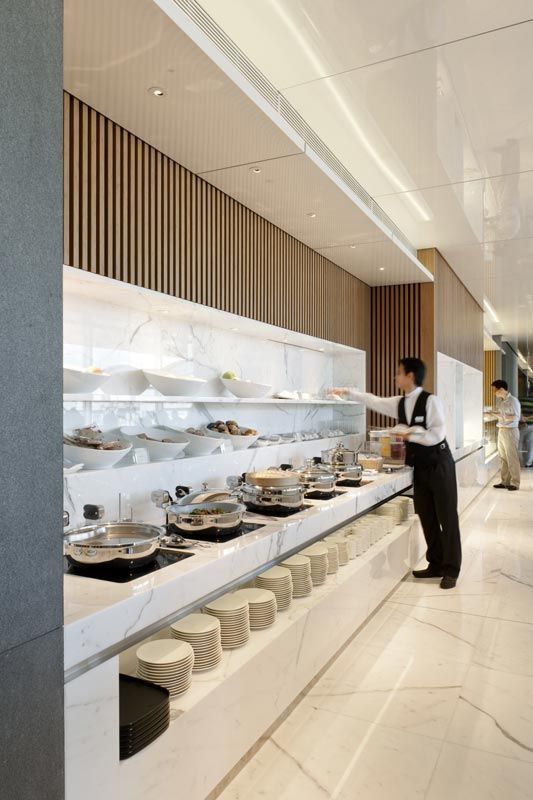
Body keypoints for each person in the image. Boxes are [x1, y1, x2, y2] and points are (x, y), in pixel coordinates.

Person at [330, 357, 461, 589]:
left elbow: (438, 433)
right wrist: (347, 392)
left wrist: (409, 433)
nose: (395, 377)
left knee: (447, 518)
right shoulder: (400, 402)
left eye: (398, 372)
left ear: (410, 376)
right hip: (420, 467)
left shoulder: (431, 401)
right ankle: (436, 563)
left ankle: (451, 570)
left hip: (440, 465)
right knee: (427, 516)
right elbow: (374, 401)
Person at [490, 380, 521, 490]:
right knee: (503, 457)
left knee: (512, 457)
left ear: (501, 389)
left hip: (511, 431)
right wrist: (493, 413)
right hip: (502, 430)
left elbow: (515, 417)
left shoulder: (513, 401)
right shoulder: (502, 402)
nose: (494, 393)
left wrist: (501, 416)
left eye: (495, 390)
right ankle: (505, 482)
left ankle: (515, 483)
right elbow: (503, 415)